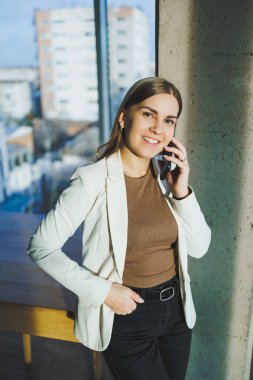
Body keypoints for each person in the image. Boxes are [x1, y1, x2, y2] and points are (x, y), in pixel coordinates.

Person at [27, 77, 211, 380]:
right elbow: (41, 247)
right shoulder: (92, 179)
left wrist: (182, 191)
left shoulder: (166, 177)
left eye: (168, 120)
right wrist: (103, 291)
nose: (157, 128)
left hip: (177, 313)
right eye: (148, 114)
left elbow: (200, 247)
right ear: (125, 117)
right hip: (129, 317)